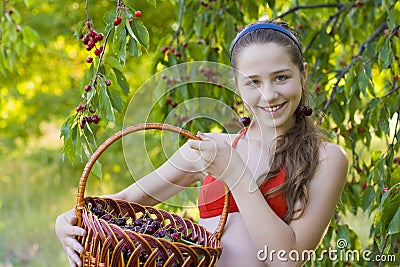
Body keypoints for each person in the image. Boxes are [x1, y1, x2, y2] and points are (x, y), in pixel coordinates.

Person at [55, 20, 348, 267]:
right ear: (236, 85)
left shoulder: (326, 159)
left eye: (281, 77)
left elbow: (286, 259)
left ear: (303, 74)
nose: (269, 94)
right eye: (253, 82)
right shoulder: (209, 149)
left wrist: (234, 173)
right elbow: (122, 202)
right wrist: (68, 220)